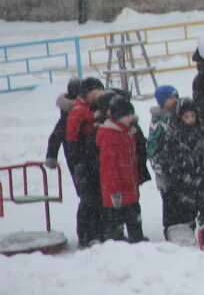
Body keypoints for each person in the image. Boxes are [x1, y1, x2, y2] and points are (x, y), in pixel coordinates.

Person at [158, 97, 204, 241]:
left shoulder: (202, 133)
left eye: (193, 116)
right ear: (179, 118)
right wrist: (181, 176)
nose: (190, 120)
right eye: (186, 117)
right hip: (184, 183)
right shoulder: (174, 136)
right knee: (185, 215)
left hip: (203, 181)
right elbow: (169, 161)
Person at [96, 96, 147, 243]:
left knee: (134, 214)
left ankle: (137, 237)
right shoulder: (110, 135)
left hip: (129, 185)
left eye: (131, 114)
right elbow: (109, 167)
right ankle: (116, 241)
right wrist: (114, 190)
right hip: (116, 189)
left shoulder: (128, 132)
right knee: (116, 218)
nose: (131, 117)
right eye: (127, 115)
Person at [65, 77, 106, 247]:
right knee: (88, 199)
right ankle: (86, 235)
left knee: (98, 196)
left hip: (94, 160)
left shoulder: (94, 107)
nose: (101, 94)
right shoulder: (79, 110)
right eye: (98, 90)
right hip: (83, 162)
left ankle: (98, 231)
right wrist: (79, 162)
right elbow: (72, 139)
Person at [146, 85, 187, 238]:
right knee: (170, 201)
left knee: (183, 200)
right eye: (170, 98)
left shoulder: (179, 115)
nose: (174, 100)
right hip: (166, 171)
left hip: (180, 168)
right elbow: (153, 147)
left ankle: (185, 228)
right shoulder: (159, 121)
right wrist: (161, 167)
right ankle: (170, 230)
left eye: (176, 97)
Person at [44, 77, 80, 175]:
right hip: (82, 157)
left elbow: (55, 138)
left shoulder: (64, 120)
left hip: (72, 156)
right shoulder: (86, 112)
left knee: (81, 184)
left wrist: (51, 156)